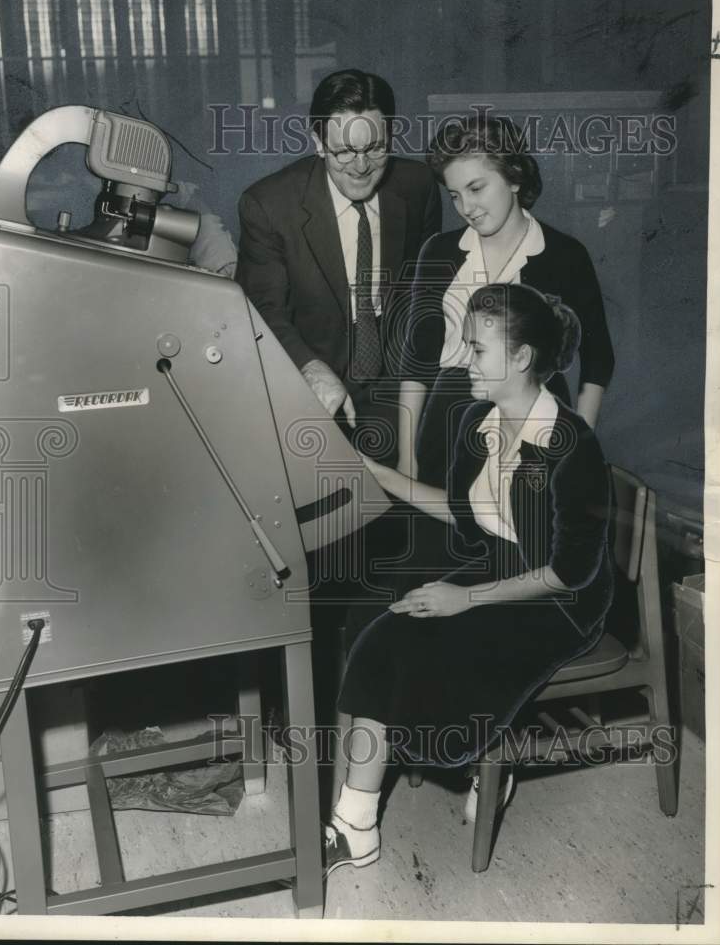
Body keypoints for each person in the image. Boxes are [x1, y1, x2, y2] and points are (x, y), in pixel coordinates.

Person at [325, 283, 614, 875]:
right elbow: (464, 510)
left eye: (477, 349)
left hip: (562, 600)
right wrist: (376, 472)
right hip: (499, 570)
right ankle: (354, 823)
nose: (461, 360)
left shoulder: (571, 446)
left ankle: (488, 759)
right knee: (379, 624)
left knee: (418, 638)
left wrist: (466, 598)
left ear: (522, 358)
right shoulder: (480, 421)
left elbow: (569, 571)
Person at [236, 68, 441, 468]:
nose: (361, 166)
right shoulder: (268, 205)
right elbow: (261, 309)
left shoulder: (419, 186)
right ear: (318, 143)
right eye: (344, 151)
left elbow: (426, 293)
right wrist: (311, 369)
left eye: (375, 149)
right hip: (312, 374)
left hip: (399, 382)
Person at [398, 116, 614, 487]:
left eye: (477, 188)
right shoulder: (438, 252)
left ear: (514, 178)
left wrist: (581, 446)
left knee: (527, 540)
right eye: (455, 195)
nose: (466, 206)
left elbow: (598, 359)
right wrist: (406, 455)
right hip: (447, 423)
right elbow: (416, 359)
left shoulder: (565, 255)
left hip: (537, 426)